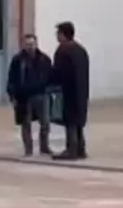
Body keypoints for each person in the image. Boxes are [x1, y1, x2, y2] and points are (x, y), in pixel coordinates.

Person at [6, 33, 53, 157]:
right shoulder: (17, 60)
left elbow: (51, 76)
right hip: (24, 97)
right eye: (27, 44)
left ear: (36, 44)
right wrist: (12, 95)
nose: (29, 47)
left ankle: (44, 147)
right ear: (23, 45)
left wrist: (49, 90)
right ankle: (28, 149)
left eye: (32, 44)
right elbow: (12, 78)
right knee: (25, 124)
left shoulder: (44, 59)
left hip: (41, 95)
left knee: (45, 122)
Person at [51, 21, 90, 161]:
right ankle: (81, 148)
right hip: (82, 91)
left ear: (63, 34)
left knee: (70, 122)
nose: (56, 36)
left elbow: (58, 72)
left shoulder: (63, 50)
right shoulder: (81, 49)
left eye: (58, 33)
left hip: (68, 91)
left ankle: (71, 149)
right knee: (78, 120)